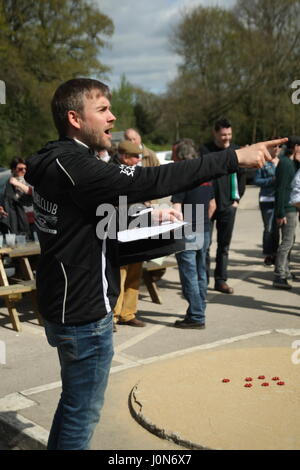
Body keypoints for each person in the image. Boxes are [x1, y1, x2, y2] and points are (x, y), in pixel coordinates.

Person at [24, 77, 286, 450]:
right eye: (102, 110)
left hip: (65, 306)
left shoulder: (57, 163)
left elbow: (84, 229)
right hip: (83, 314)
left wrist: (147, 224)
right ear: (75, 118)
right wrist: (233, 158)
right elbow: (152, 179)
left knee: (74, 405)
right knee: (82, 412)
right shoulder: (74, 166)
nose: (112, 117)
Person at [171, 139, 216, 329]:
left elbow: (176, 210)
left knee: (189, 275)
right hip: (204, 228)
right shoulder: (206, 178)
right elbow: (213, 205)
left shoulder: (182, 179)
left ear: (181, 158)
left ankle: (196, 316)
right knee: (201, 273)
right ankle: (199, 309)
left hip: (188, 230)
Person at [201, 118, 246, 294]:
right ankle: (203, 280)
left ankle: (221, 280)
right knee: (205, 245)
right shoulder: (205, 151)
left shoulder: (236, 151)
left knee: (224, 246)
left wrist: (237, 200)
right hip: (207, 207)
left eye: (229, 134)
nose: (226, 138)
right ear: (215, 133)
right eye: (223, 135)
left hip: (228, 206)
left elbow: (242, 176)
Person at [112, 140, 146, 329]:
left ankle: (128, 313)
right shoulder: (110, 170)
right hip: (118, 229)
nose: (138, 161)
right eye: (135, 157)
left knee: (135, 271)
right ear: (124, 157)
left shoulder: (134, 171)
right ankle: (113, 316)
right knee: (119, 274)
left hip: (136, 227)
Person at [273, 136, 300, 289]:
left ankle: (286, 269)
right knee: (287, 242)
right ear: (296, 146)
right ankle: (279, 274)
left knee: (290, 240)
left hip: (291, 208)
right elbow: (280, 189)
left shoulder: (291, 163)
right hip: (286, 209)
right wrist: (280, 212)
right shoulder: (284, 163)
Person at [254, 139, 281, 266]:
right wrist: (271, 181)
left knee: (277, 228)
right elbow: (256, 180)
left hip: (280, 200)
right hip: (266, 199)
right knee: (269, 228)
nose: (276, 149)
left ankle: (275, 254)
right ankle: (267, 254)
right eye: (274, 146)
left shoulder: (283, 162)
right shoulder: (263, 162)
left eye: (279, 146)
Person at [3, 157, 34, 238]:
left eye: (25, 168)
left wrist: (18, 184)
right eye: (20, 169)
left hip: (32, 220)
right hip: (16, 221)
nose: (23, 171)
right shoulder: (8, 183)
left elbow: (33, 192)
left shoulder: (29, 179)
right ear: (13, 170)